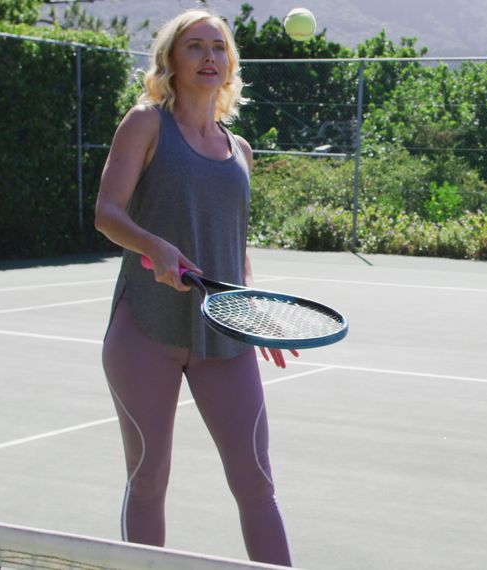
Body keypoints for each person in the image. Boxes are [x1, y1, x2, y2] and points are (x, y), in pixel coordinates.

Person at [94, 9, 295, 566]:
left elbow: (235, 248)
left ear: (230, 64)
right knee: (149, 479)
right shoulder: (145, 124)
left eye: (218, 48)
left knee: (257, 484)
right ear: (172, 61)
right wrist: (152, 246)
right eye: (194, 47)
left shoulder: (241, 151)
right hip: (146, 329)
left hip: (225, 340)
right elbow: (107, 213)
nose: (209, 57)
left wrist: (254, 314)